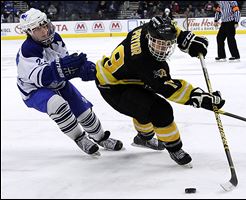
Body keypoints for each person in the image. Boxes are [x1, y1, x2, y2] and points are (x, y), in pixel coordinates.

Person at [90, 16, 225, 166]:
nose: (163, 48)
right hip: (114, 88)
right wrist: (198, 96)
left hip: (128, 78)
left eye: (167, 44)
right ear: (150, 38)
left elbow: (169, 29)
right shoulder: (144, 62)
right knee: (160, 110)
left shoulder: (146, 29)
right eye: (159, 44)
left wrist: (186, 39)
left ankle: (143, 138)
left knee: (143, 107)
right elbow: (169, 88)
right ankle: (174, 148)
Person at [16, 8, 123, 156]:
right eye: (37, 29)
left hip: (58, 83)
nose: (44, 31)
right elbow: (42, 77)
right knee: (57, 104)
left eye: (44, 25)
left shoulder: (56, 39)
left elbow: (65, 64)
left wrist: (81, 69)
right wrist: (65, 68)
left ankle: (100, 138)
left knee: (84, 111)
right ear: (29, 32)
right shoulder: (28, 49)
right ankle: (79, 138)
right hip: (33, 90)